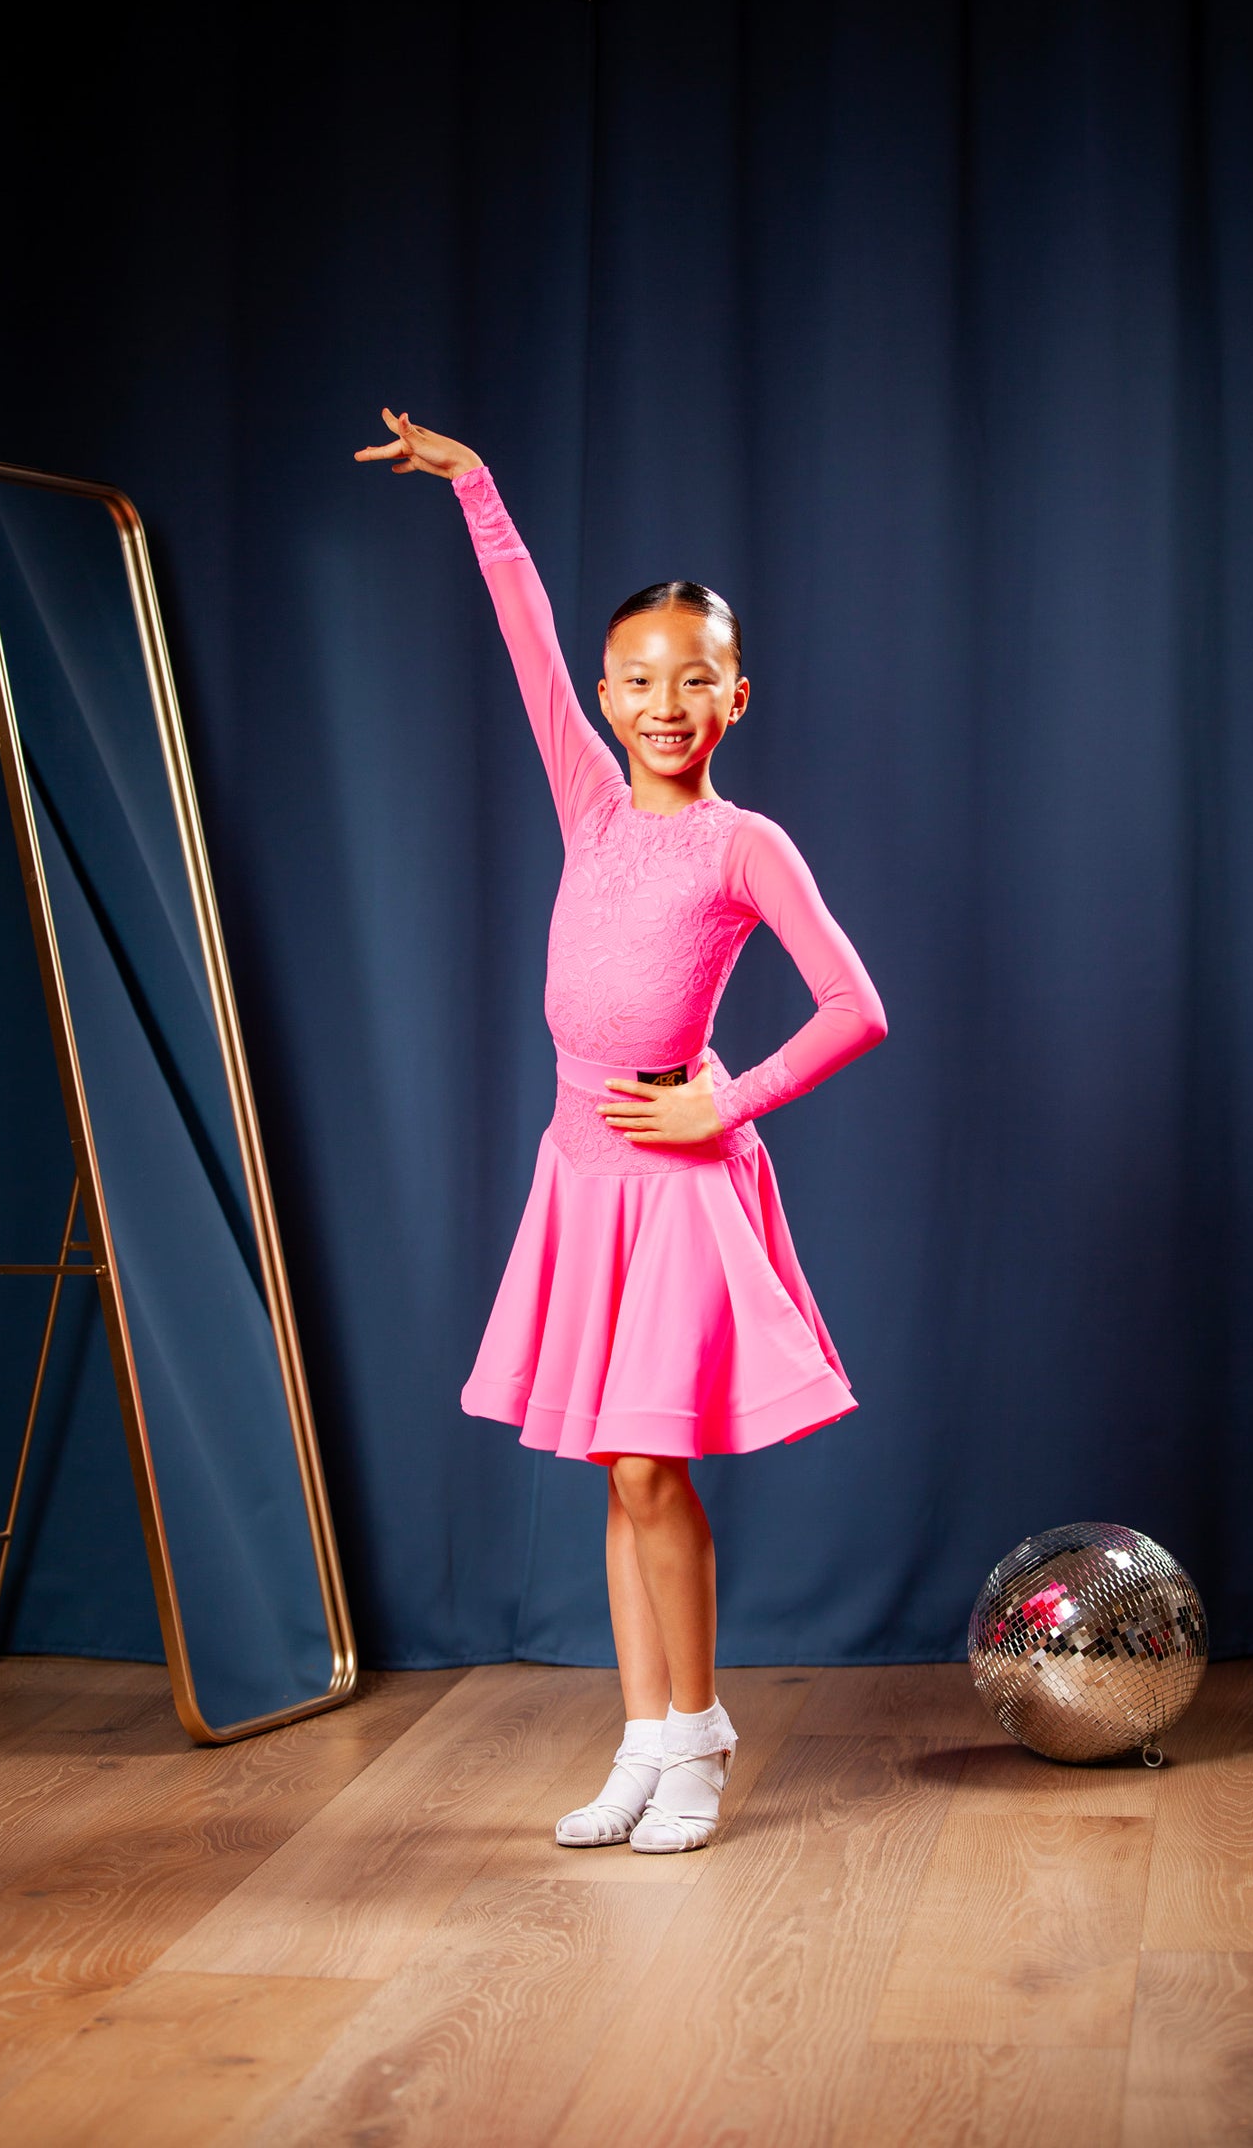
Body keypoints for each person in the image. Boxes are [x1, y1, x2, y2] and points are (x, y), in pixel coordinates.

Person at [355, 410, 887, 1852]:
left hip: (673, 1187)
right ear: (603, 694)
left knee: (655, 1464)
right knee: (612, 1464)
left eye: (693, 679)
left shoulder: (741, 843)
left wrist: (726, 1096)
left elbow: (853, 1007)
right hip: (578, 1179)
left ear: (736, 695)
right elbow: (521, 634)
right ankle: (646, 1736)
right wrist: (477, 489)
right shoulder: (589, 805)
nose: (664, 701)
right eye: (638, 679)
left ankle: (702, 1739)